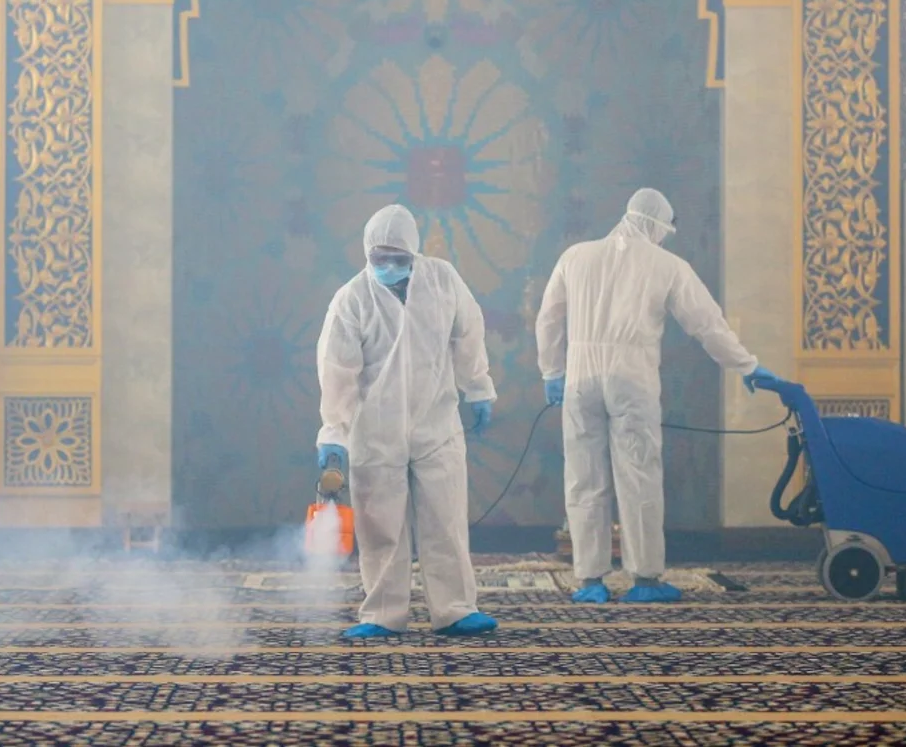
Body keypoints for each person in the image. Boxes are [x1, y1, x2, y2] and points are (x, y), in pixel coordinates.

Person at [535, 188, 781, 603]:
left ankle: (590, 581)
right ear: (656, 225)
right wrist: (746, 365)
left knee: (583, 478)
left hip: (580, 379)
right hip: (632, 381)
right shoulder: (667, 265)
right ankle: (645, 580)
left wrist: (552, 371)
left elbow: (549, 318)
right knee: (639, 477)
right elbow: (707, 324)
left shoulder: (575, 256)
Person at [316, 204, 500, 638]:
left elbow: (468, 332)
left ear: (414, 253)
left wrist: (478, 387)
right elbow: (338, 371)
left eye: (398, 258)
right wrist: (334, 430)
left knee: (446, 520)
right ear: (367, 253)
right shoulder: (352, 299)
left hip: (437, 421)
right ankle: (382, 613)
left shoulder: (442, 280)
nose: (388, 266)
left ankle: (456, 609)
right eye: (379, 257)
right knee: (381, 527)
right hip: (375, 430)